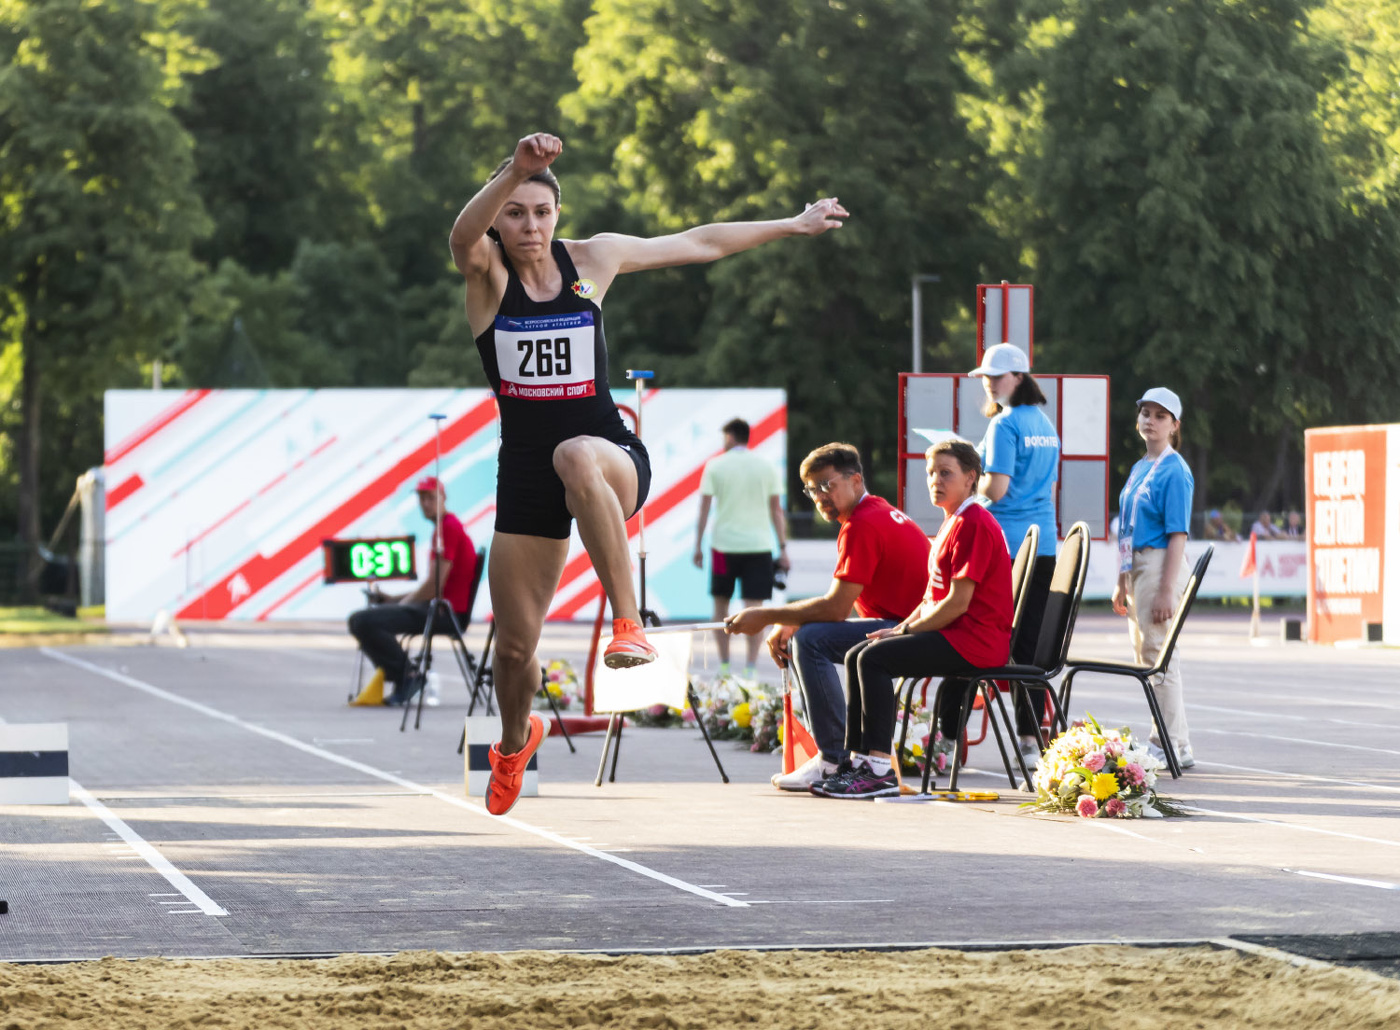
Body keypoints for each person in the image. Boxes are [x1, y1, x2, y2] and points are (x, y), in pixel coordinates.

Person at [449, 131, 847, 815]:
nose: (530, 227)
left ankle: (627, 627)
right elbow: (460, 237)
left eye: (541, 212)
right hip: (523, 474)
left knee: (574, 453)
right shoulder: (487, 274)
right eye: (514, 213)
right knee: (514, 651)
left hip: (609, 456)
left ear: (558, 216)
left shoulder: (593, 260)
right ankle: (514, 742)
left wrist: (792, 224)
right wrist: (516, 168)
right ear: (499, 220)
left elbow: (699, 243)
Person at [724, 443, 931, 791]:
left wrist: (765, 615)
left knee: (812, 640)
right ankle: (838, 757)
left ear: (855, 479)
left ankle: (833, 759)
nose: (818, 496)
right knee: (809, 633)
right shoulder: (874, 512)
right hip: (906, 624)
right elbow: (844, 601)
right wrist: (795, 618)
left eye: (826, 485)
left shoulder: (862, 524)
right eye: (810, 489)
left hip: (914, 632)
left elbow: (835, 608)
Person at [813, 439, 1013, 799]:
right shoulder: (951, 523)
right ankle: (858, 761)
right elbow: (930, 598)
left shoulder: (975, 523)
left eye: (946, 473)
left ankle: (878, 769)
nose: (935, 479)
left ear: (971, 478)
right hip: (957, 634)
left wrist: (906, 629)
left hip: (977, 642)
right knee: (859, 651)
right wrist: (898, 628)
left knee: (874, 659)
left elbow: (957, 603)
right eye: (931, 473)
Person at [967, 342, 1059, 770]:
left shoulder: (1004, 425)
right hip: (1044, 547)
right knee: (1031, 649)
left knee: (971, 636)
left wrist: (971, 485)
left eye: (996, 376)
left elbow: (997, 490)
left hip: (1005, 546)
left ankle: (950, 736)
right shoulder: (1044, 422)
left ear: (1019, 377)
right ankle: (1029, 739)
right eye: (984, 376)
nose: (988, 383)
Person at [1112, 387, 1196, 770]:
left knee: (1159, 657)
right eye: (1146, 412)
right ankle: (1177, 741)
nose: (1150, 420)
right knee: (1150, 657)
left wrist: (1166, 589)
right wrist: (1122, 577)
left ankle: (1165, 742)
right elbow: (1129, 527)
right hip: (1139, 566)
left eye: (1161, 415)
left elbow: (1178, 533)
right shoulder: (1139, 466)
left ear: (1174, 425)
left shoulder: (1174, 469)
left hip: (1162, 562)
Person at [347, 477, 478, 705]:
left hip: (445, 614)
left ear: (443, 498)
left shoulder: (448, 528)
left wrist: (402, 603)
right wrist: (392, 600)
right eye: (421, 499)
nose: (425, 503)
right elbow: (432, 587)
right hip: (438, 608)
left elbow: (433, 587)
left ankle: (408, 676)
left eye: (430, 498)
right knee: (363, 618)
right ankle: (405, 675)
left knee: (362, 621)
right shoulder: (445, 527)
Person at [693, 418, 789, 680]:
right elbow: (776, 511)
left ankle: (724, 665)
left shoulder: (716, 465)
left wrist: (698, 545)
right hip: (758, 547)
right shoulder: (766, 465)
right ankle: (750, 667)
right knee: (755, 609)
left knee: (720, 606)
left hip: (723, 547)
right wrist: (783, 548)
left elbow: (703, 508)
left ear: (730, 437)